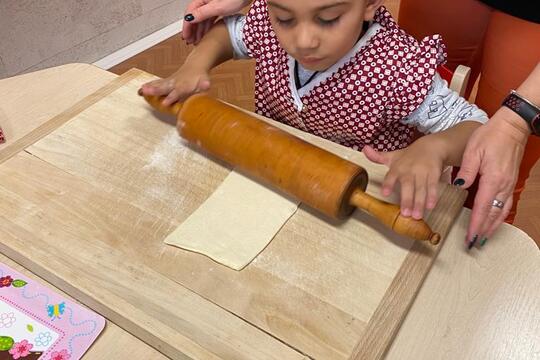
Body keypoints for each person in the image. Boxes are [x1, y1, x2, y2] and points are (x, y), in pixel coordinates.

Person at [180, 0, 540, 248]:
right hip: (285, 175)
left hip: (362, 199)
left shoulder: (396, 68)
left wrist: (434, 146)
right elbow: (231, 33)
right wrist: (196, 64)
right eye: (285, 19)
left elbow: (476, 127)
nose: (303, 40)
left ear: (369, 5)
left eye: (329, 18)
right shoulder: (270, 19)